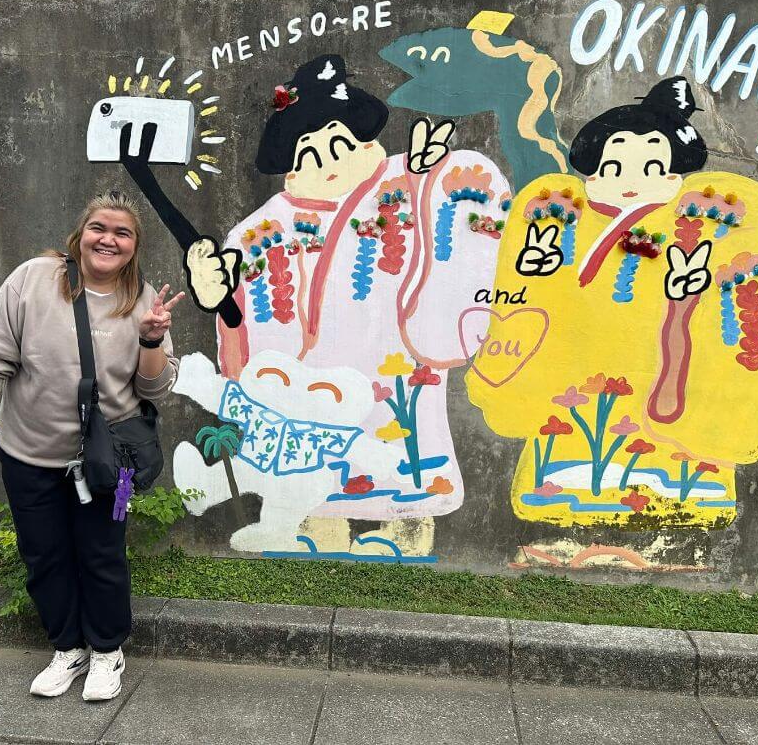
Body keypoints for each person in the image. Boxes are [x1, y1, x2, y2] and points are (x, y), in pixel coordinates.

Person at [171, 54, 511, 559]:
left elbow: (466, 207)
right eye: (309, 153)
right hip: (310, 384)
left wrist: (422, 184)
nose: (328, 161)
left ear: (366, 142)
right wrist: (216, 294)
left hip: (394, 366)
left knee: (400, 463)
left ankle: (403, 530)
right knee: (313, 479)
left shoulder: (406, 183)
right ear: (290, 165)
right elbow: (238, 313)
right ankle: (310, 526)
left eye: (340, 144)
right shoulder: (261, 230)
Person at [469, 76, 758, 533]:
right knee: (568, 461)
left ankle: (679, 496)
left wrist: (685, 296)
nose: (630, 181)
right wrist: (537, 271)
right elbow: (530, 300)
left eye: (650, 167)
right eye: (614, 167)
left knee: (669, 476)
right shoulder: (560, 215)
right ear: (592, 174)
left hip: (654, 379)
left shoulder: (699, 221)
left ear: (672, 176)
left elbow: (735, 296)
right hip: (575, 381)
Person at [0, 189, 181, 701]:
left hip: (108, 460)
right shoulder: (33, 280)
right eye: (100, 227)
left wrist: (151, 340)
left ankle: (106, 651)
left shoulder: (142, 300)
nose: (108, 239)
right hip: (29, 456)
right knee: (44, 555)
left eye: (122, 233)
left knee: (103, 554)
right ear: (81, 234)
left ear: (134, 245)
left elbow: (155, 390)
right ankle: (68, 648)